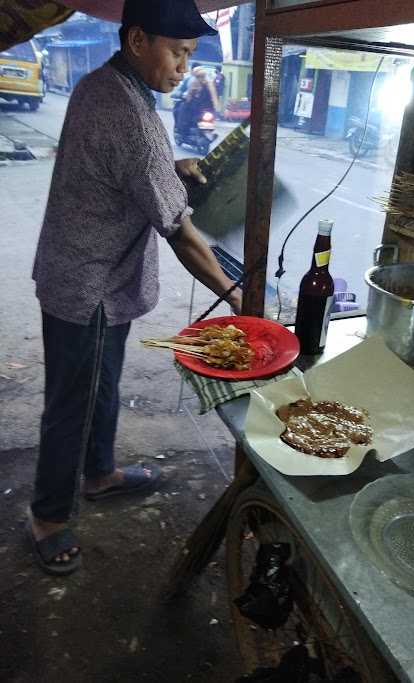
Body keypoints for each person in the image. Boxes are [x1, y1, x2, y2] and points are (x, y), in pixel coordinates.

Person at [28, 0, 242, 576]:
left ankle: (99, 474)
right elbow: (183, 234)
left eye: (190, 56)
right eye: (177, 52)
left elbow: (118, 168)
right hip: (88, 283)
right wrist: (235, 294)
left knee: (101, 387)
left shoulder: (102, 86)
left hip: (91, 273)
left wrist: (171, 168)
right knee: (70, 404)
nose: (181, 67)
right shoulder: (129, 112)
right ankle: (48, 516)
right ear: (138, 39)